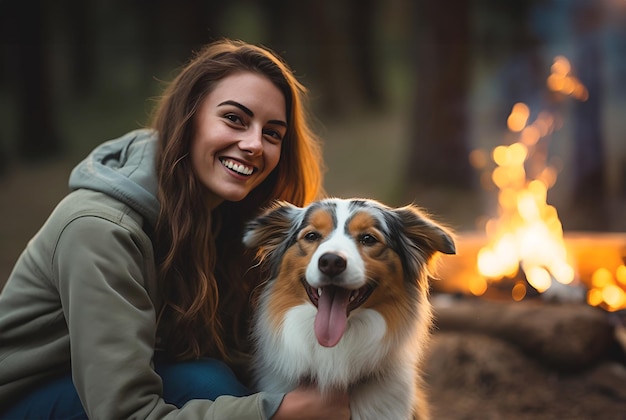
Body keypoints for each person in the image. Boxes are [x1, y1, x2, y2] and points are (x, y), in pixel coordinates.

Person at [0, 38, 351, 419]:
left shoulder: (227, 217)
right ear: (189, 117)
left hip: (115, 385)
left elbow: (248, 350)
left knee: (217, 378)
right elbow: (125, 412)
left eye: (272, 133)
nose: (254, 144)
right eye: (234, 118)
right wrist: (275, 413)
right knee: (213, 388)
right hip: (26, 401)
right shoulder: (101, 230)